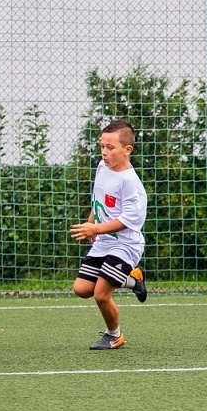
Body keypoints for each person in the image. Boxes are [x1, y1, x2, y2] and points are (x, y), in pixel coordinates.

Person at [70, 119, 148, 350]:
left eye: (110, 148)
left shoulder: (131, 184)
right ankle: (133, 280)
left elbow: (129, 221)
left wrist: (96, 229)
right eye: (102, 146)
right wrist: (91, 222)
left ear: (127, 150)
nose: (104, 152)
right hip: (104, 242)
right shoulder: (102, 168)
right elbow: (99, 200)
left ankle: (114, 336)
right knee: (81, 289)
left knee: (101, 294)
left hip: (126, 245)